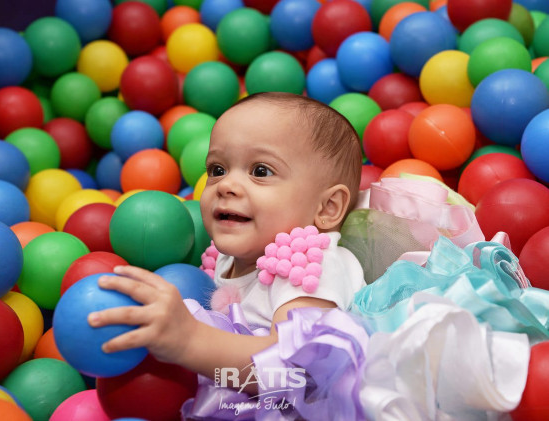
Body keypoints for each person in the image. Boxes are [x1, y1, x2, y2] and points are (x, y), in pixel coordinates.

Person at [87, 92, 365, 400]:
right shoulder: (223, 256)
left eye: (260, 171)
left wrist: (189, 341)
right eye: (217, 170)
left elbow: (298, 368)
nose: (225, 186)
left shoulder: (310, 268)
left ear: (327, 208)